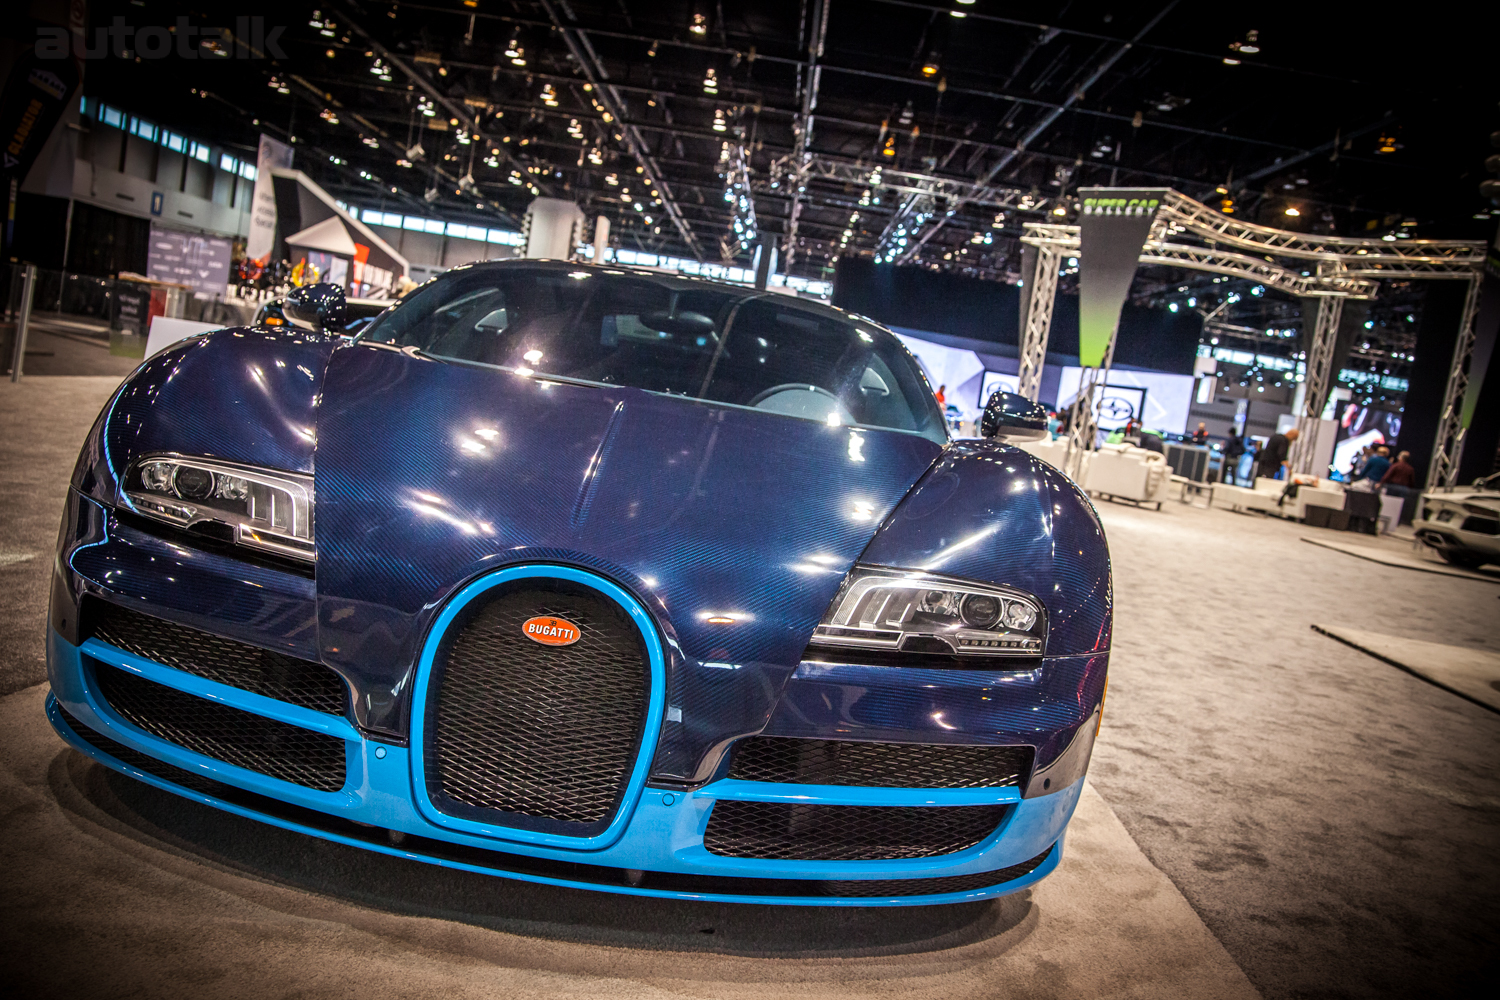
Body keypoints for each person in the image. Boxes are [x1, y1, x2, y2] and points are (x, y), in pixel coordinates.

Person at [1379, 449, 1420, 524]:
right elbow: (1412, 481)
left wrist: (1381, 483)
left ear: (1401, 457)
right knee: (1399, 507)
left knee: (1388, 505)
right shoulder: (1410, 469)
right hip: (1404, 488)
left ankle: (1385, 521)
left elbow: (1387, 475)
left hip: (1392, 487)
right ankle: (1396, 522)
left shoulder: (1396, 465)